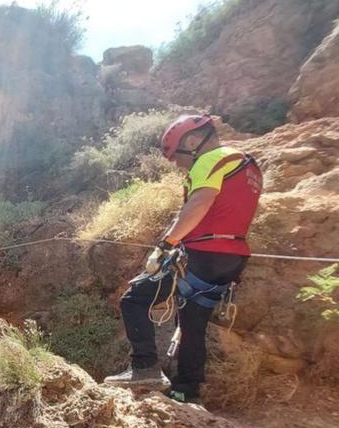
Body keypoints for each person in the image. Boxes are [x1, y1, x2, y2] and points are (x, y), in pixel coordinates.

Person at [104, 115, 263, 403]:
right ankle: (185, 390)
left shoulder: (211, 159)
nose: (178, 164)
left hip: (202, 254)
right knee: (192, 323)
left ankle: (144, 367)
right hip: (232, 259)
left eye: (177, 155)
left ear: (192, 142)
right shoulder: (249, 166)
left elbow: (199, 202)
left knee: (134, 299)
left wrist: (166, 244)